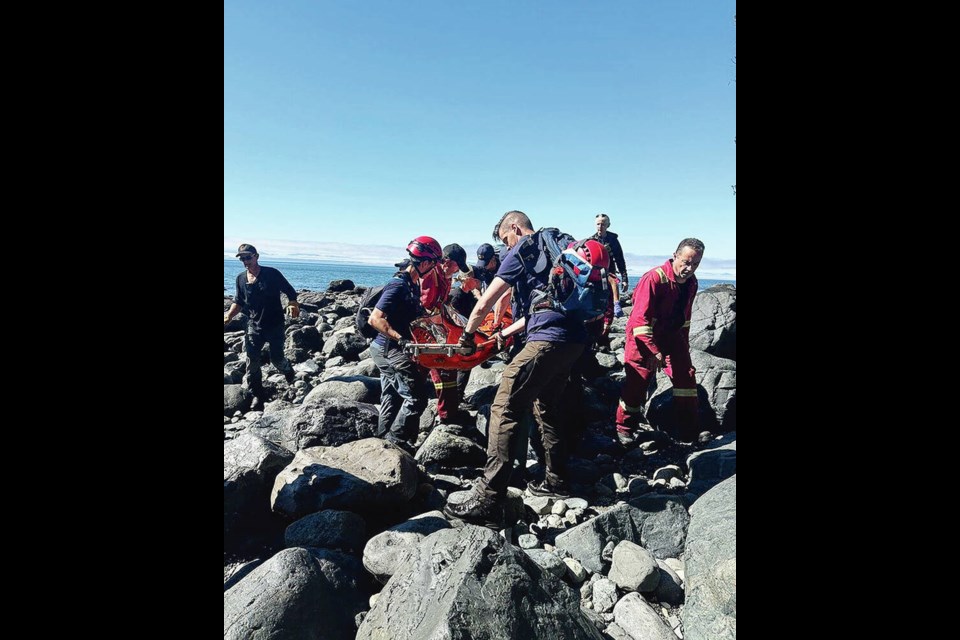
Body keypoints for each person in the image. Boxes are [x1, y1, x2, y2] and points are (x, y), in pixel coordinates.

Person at [444, 211, 587, 527]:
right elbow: (541, 308)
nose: (505, 247)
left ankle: (488, 497)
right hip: (574, 341)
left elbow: (485, 303)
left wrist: (468, 336)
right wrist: (504, 334)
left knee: (505, 406)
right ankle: (556, 480)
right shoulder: (558, 251)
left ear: (514, 228)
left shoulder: (522, 249)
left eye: (505, 240)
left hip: (546, 341)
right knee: (546, 404)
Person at [616, 238, 705, 445]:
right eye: (685, 262)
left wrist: (684, 344)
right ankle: (625, 428)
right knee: (638, 380)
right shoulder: (654, 279)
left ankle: (688, 430)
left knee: (686, 377)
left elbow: (686, 316)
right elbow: (640, 319)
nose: (689, 268)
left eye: (695, 264)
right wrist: (653, 351)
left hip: (672, 336)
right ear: (675, 256)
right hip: (643, 338)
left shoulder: (692, 282)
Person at [368, 236, 441, 449]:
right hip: (388, 348)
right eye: (434, 264)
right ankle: (395, 442)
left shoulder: (412, 285)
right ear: (425, 263)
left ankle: (381, 442)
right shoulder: (397, 285)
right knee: (417, 398)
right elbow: (375, 319)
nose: (435, 268)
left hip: (386, 348)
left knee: (391, 396)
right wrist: (402, 340)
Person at [224, 244, 300, 409]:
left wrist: (292, 303)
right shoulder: (241, 279)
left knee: (277, 359)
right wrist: (229, 316)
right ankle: (257, 395)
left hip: (275, 324)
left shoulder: (271, 273)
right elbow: (238, 301)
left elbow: (289, 291)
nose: (245, 261)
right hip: (254, 326)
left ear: (256, 256)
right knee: (252, 363)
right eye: (242, 258)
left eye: (248, 257)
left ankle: (288, 372)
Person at [420, 243, 472, 425]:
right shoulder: (432, 276)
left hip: (436, 329)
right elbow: (426, 306)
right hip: (426, 331)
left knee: (447, 370)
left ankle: (449, 412)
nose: (458, 271)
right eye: (457, 266)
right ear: (447, 262)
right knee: (441, 371)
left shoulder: (445, 277)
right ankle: (446, 416)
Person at [591, 214, 628, 316]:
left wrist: (625, 280)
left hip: (609, 272)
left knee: (613, 282)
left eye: (603, 224)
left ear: (608, 225)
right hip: (595, 274)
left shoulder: (613, 240)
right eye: (598, 224)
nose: (600, 227)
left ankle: (616, 304)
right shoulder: (591, 241)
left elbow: (620, 260)